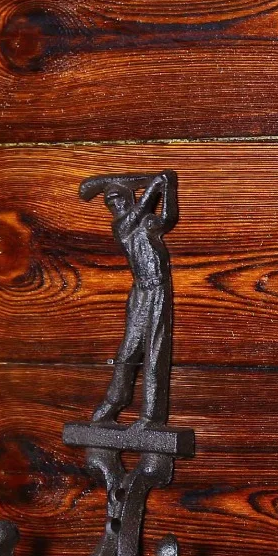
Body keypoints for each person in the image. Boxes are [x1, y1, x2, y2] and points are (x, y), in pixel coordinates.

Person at [92, 171, 176, 425]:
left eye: (119, 198)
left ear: (128, 198)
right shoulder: (121, 226)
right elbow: (138, 213)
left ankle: (150, 416)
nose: (115, 205)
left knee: (155, 351)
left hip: (158, 289)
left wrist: (168, 189)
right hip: (140, 293)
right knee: (128, 350)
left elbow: (167, 218)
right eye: (110, 202)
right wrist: (154, 186)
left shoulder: (145, 223)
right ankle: (114, 401)